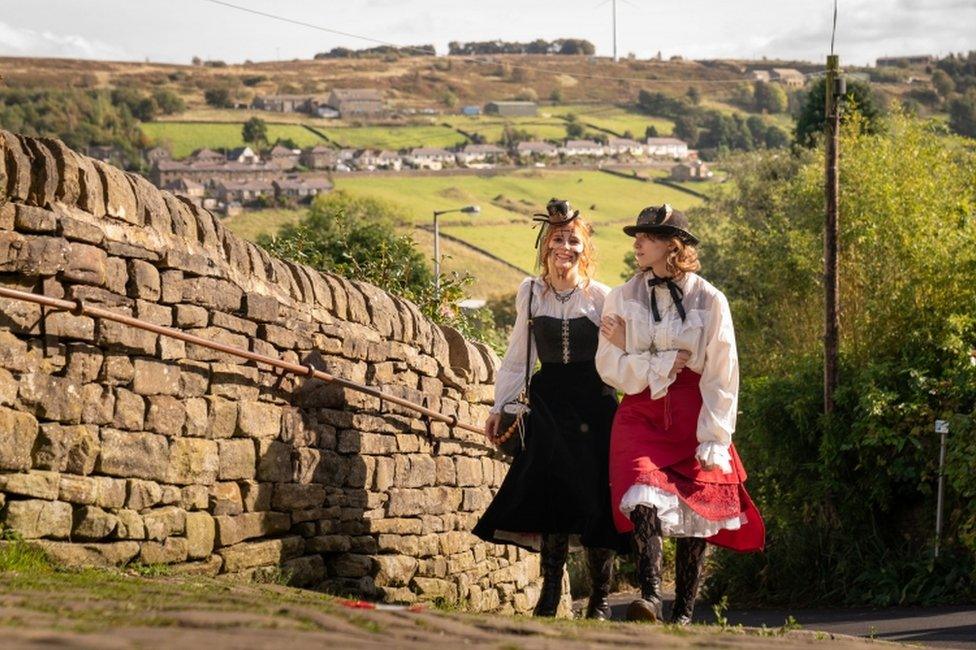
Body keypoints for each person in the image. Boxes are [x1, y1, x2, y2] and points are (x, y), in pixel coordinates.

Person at [596, 204, 765, 624]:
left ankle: (685, 614)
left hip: (694, 411)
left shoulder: (710, 299)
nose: (636, 244)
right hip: (639, 410)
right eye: (637, 236)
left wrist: (715, 435)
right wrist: (663, 361)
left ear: (672, 245)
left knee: (698, 510)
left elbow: (723, 371)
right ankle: (650, 596)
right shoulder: (620, 297)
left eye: (647, 237)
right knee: (641, 494)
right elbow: (608, 365)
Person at [473, 199, 629, 619]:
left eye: (573, 240)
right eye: (558, 239)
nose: (566, 247)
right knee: (553, 496)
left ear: (585, 248)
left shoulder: (603, 297)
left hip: (594, 403)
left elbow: (618, 357)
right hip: (548, 402)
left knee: (597, 497)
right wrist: (500, 405)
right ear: (546, 246)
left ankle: (598, 598)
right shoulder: (531, 291)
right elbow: (517, 355)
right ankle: (550, 594)